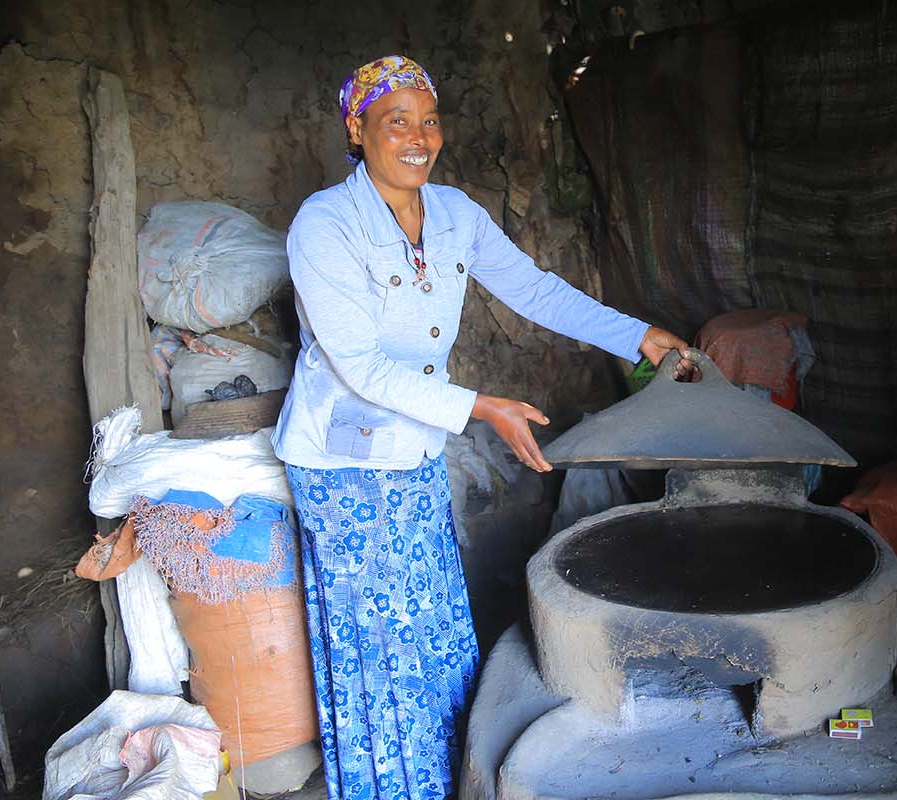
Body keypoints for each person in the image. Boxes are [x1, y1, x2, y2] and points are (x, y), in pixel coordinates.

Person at [271, 55, 690, 800]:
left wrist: (638, 336)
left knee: (428, 627)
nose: (418, 137)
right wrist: (480, 406)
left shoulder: (456, 213)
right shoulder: (325, 224)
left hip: (413, 450)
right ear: (357, 128)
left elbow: (535, 289)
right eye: (396, 120)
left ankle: (442, 780)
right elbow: (361, 367)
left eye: (429, 120)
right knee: (379, 650)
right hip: (342, 467)